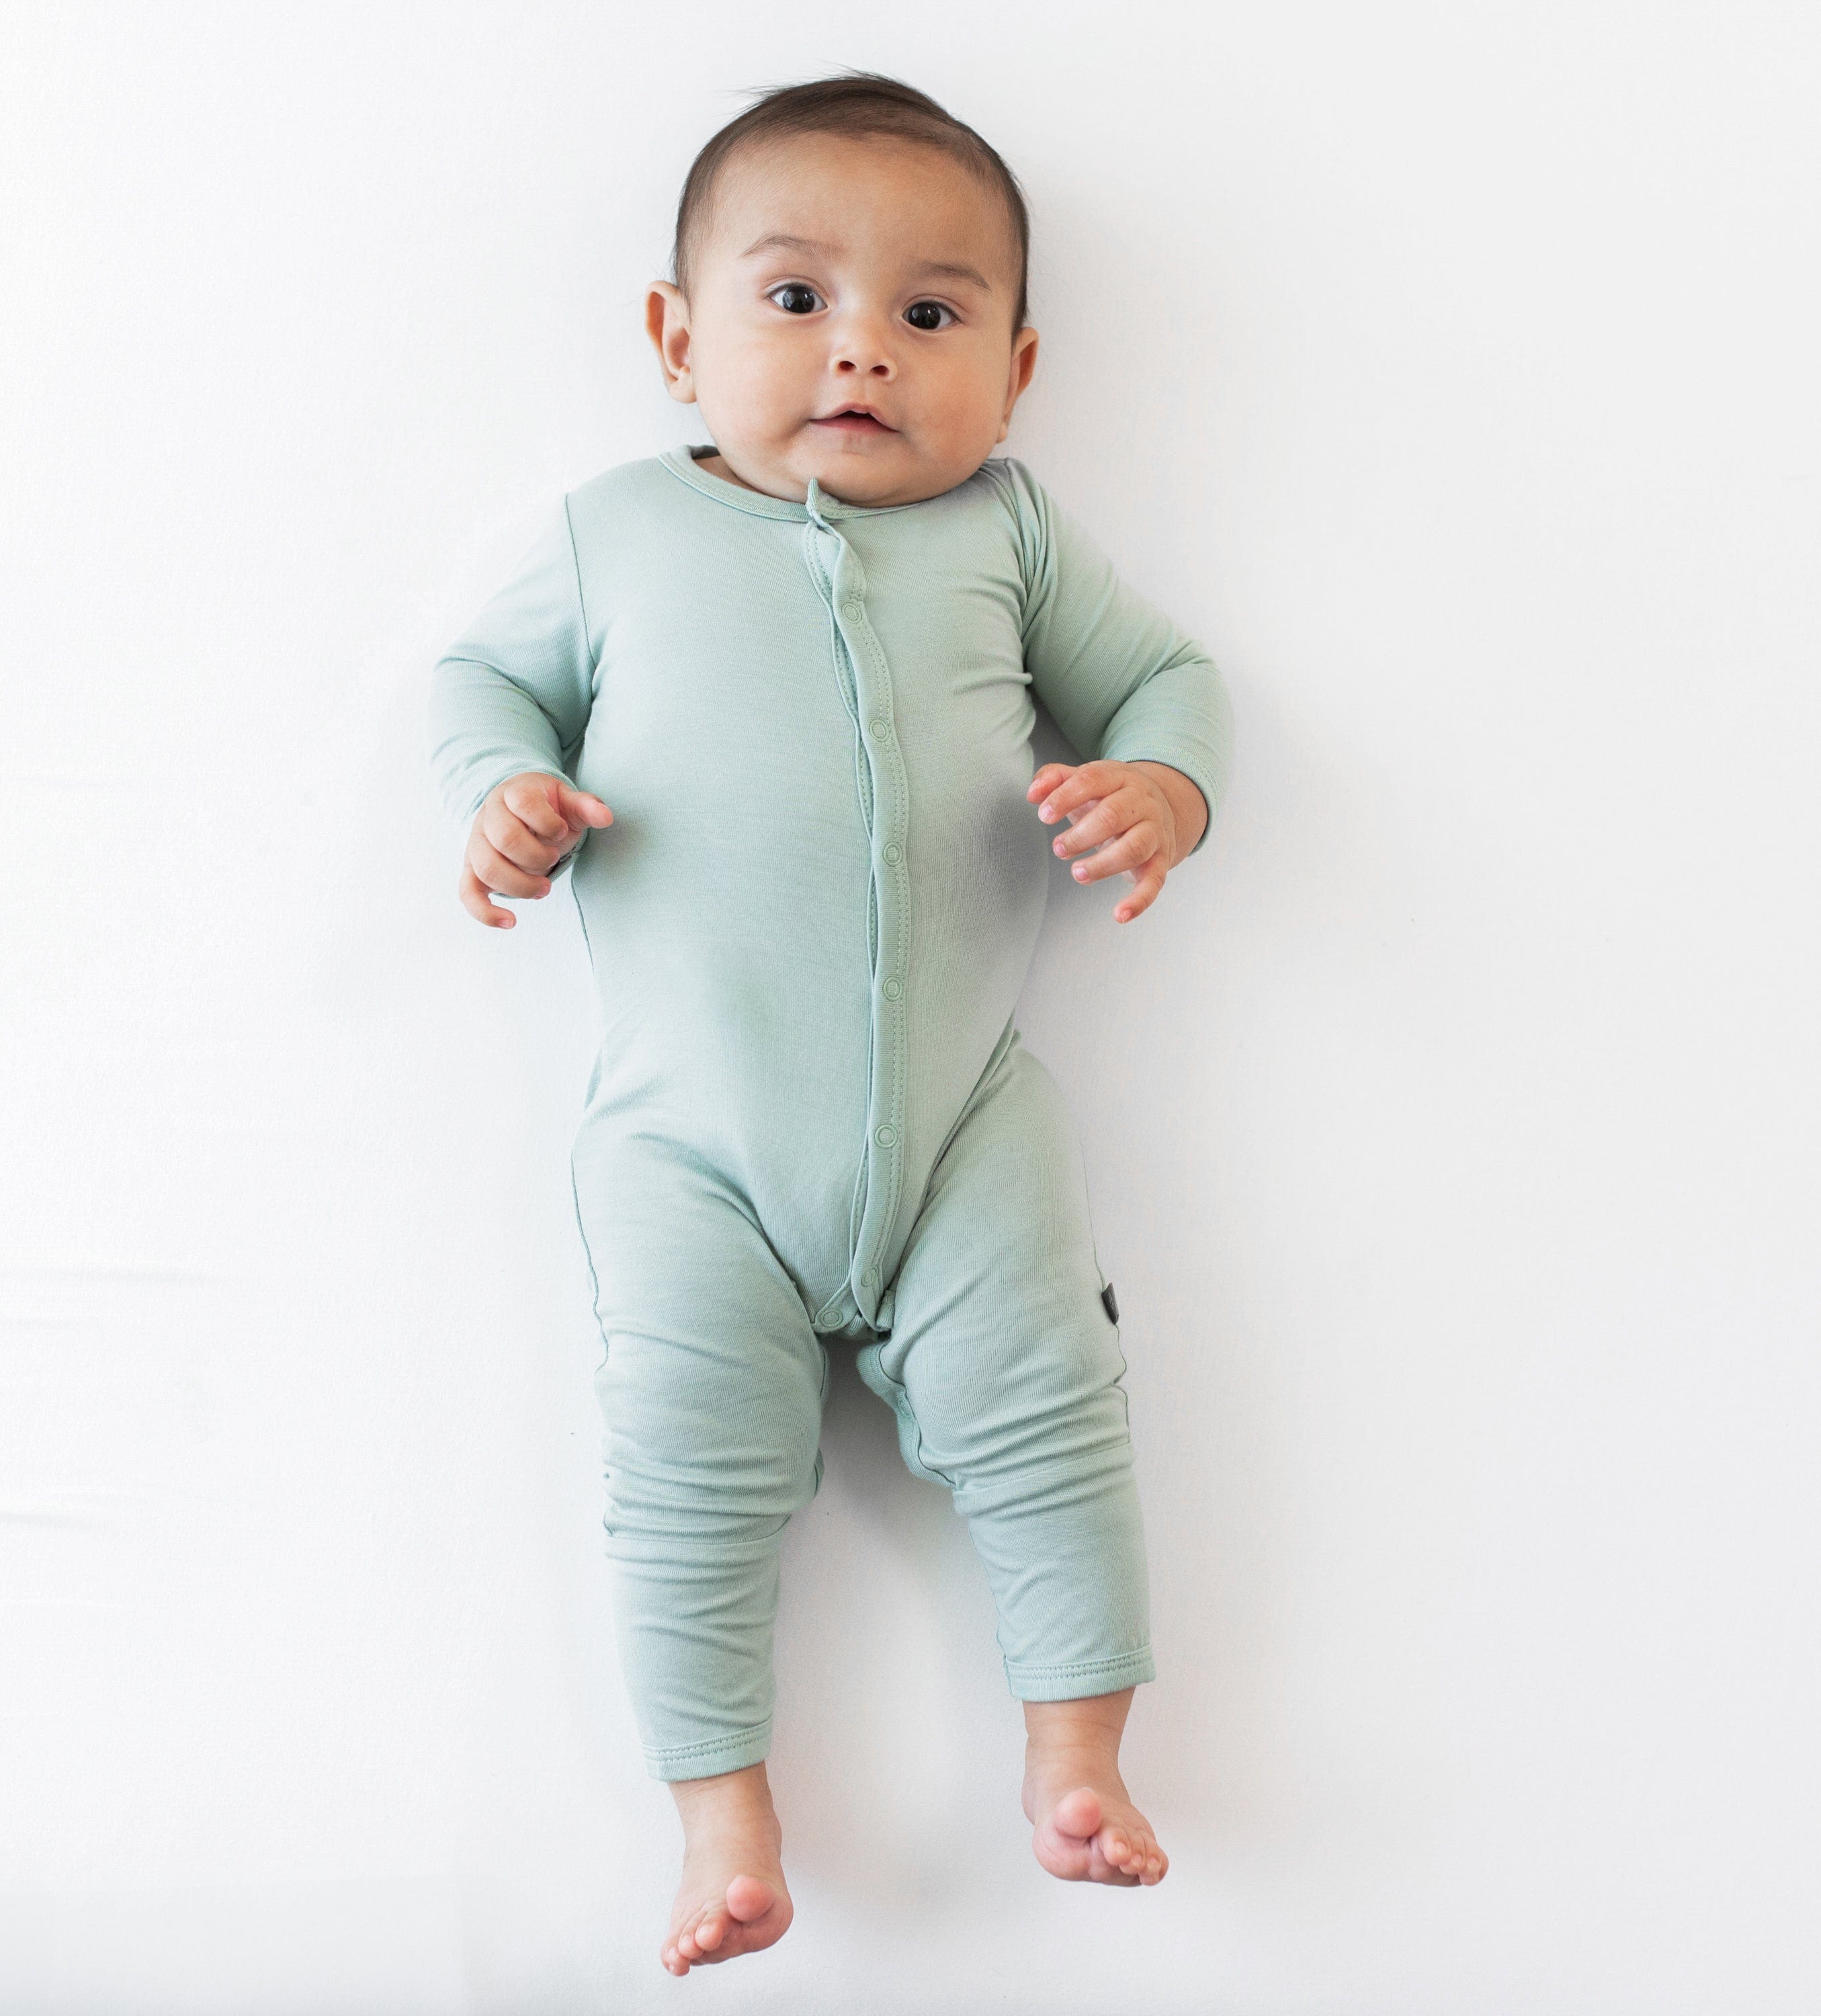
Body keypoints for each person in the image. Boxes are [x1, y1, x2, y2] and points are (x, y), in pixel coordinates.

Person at [426, 71, 1233, 1976]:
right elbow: (484, 675)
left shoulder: (1007, 532)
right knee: (683, 1464)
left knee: (1054, 1420)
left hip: (962, 1122)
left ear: (1014, 370)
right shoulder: (619, 531)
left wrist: (1167, 791)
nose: (862, 350)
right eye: (795, 301)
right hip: (690, 1141)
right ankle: (721, 1820)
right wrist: (502, 787)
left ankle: (1081, 1760)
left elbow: (1166, 678)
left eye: (931, 315)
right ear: (674, 336)